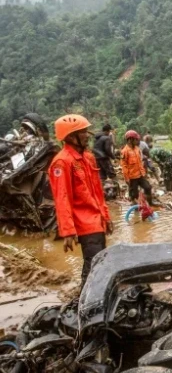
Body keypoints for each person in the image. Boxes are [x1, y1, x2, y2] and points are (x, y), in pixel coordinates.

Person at [48, 114, 113, 286]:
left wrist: (105, 217)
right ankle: (85, 303)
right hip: (84, 224)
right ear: (70, 136)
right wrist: (68, 231)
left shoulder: (88, 158)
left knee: (100, 263)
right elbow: (62, 198)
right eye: (83, 131)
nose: (87, 135)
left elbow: (98, 192)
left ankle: (95, 298)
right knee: (93, 266)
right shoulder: (62, 162)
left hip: (96, 220)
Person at [120, 130, 153, 203]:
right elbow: (124, 166)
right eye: (136, 139)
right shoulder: (125, 151)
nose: (137, 141)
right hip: (132, 177)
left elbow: (140, 162)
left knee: (148, 188)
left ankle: (150, 205)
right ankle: (136, 210)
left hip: (140, 175)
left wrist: (144, 173)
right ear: (130, 139)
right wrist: (127, 179)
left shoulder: (137, 149)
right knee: (134, 195)